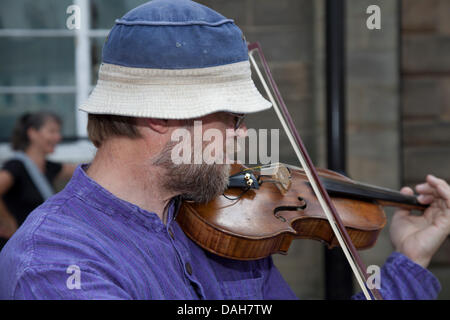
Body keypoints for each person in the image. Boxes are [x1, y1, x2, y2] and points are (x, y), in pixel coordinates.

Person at [0, 0, 449, 300]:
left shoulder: (221, 233)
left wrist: (410, 261)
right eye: (232, 119)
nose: (240, 137)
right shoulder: (59, 264)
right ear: (161, 116)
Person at [0, 111, 77, 250]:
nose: (58, 137)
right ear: (32, 133)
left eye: (58, 132)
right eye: (52, 131)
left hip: (33, 248)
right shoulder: (16, 166)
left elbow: (87, 169)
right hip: (12, 247)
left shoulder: (50, 168)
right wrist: (7, 220)